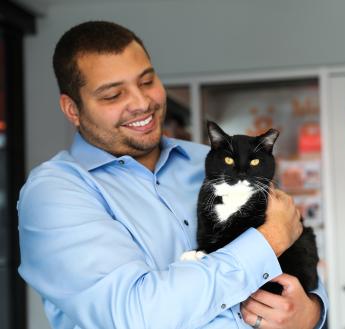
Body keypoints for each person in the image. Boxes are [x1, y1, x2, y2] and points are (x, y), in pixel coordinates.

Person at [18, 21, 328, 329]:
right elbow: (136, 316)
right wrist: (266, 241)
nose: (141, 103)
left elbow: (297, 257)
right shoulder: (54, 195)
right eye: (113, 95)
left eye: (147, 81)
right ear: (72, 109)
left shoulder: (209, 163)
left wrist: (312, 312)